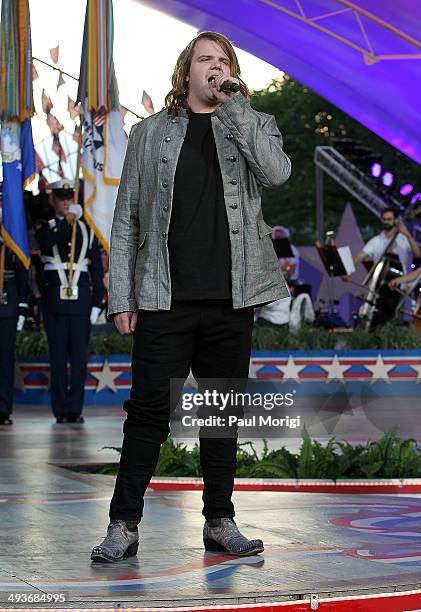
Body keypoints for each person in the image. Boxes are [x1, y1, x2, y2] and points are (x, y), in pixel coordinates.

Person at [91, 31, 291, 563]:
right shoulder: (150, 133)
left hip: (232, 297)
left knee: (221, 413)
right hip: (163, 297)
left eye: (223, 61)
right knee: (148, 414)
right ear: (186, 71)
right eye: (206, 59)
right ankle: (123, 525)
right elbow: (128, 216)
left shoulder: (251, 125)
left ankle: (220, 522)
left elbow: (277, 172)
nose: (215, 67)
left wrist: (238, 109)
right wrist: (122, 294)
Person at [34, 179, 103, 423]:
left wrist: (97, 302)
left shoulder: (87, 229)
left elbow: (94, 270)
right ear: (53, 200)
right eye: (61, 198)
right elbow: (46, 244)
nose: (66, 202)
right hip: (54, 302)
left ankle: (75, 409)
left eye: (69, 197)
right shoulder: (47, 226)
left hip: (80, 302)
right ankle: (60, 409)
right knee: (58, 358)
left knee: (78, 359)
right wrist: (68, 222)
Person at [0, 198, 29, 426]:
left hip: (7, 304)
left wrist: (21, 306)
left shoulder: (12, 233)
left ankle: (3, 408)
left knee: (5, 360)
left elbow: (21, 270)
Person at [354, 208, 420, 272]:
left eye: (389, 219)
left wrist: (408, 235)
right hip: (377, 280)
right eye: (384, 219)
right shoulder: (376, 240)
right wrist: (348, 271)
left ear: (396, 220)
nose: (386, 222)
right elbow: (359, 257)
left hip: (402, 281)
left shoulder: (404, 238)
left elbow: (418, 254)